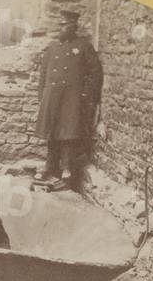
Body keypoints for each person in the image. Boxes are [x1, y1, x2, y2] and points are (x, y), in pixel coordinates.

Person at [34, 10, 103, 189]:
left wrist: (85, 95)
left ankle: (67, 170)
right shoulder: (53, 47)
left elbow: (95, 73)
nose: (61, 28)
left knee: (68, 135)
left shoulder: (83, 46)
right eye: (60, 25)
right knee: (52, 133)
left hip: (71, 98)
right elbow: (43, 72)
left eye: (64, 25)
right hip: (53, 97)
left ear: (73, 26)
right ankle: (50, 167)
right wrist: (43, 94)